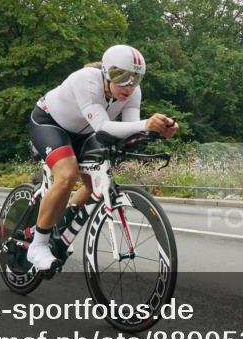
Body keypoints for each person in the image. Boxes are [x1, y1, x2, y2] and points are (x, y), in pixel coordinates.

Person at [27, 44, 178, 272]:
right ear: (106, 72)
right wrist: (146, 124)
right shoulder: (86, 80)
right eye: (122, 76)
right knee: (67, 175)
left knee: (95, 184)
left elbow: (128, 128)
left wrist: (157, 131)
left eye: (136, 78)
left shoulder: (133, 93)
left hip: (85, 134)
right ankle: (37, 246)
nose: (129, 85)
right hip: (50, 123)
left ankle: (62, 219)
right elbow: (102, 126)